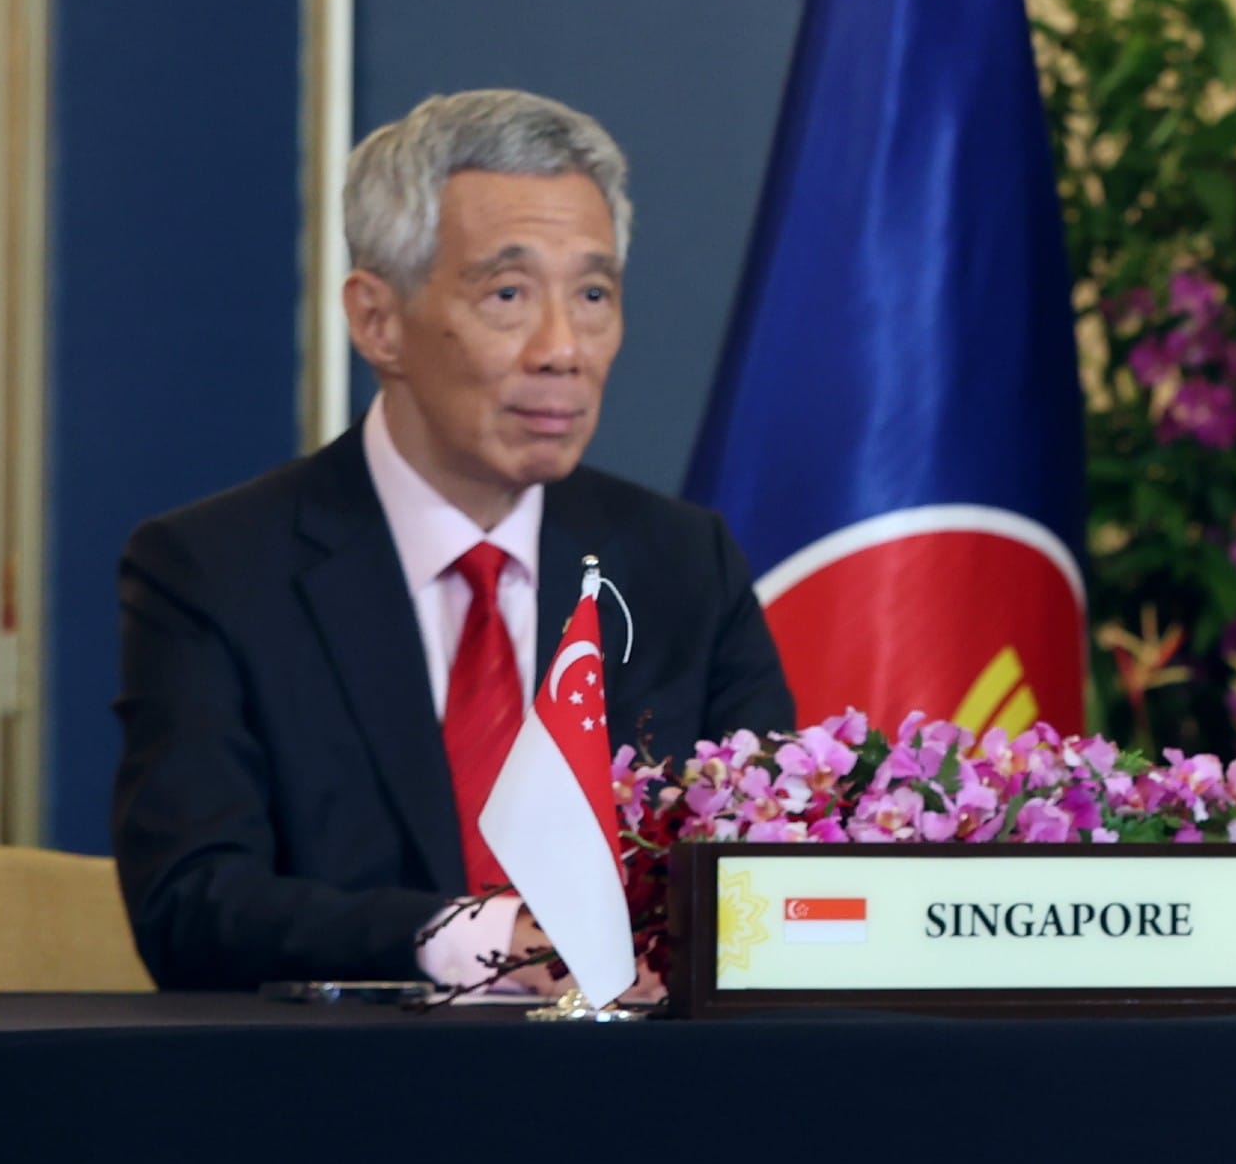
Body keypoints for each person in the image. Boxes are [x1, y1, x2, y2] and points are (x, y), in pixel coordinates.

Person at [111, 90, 795, 992]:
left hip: (636, 1101)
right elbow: (193, 905)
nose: (563, 348)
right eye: (508, 293)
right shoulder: (214, 571)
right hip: (342, 1100)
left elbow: (773, 871)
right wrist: (482, 938)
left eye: (593, 294)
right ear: (377, 321)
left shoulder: (681, 564)